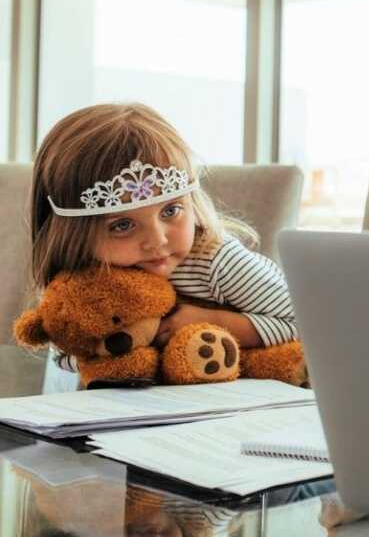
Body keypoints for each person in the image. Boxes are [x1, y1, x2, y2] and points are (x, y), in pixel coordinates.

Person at [27, 103, 299, 381]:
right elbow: (65, 355)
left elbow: (306, 323)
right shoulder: (83, 281)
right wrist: (113, 353)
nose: (157, 240)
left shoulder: (217, 260)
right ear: (72, 235)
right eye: (122, 225)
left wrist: (215, 322)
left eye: (170, 211)